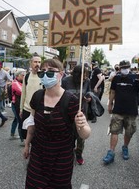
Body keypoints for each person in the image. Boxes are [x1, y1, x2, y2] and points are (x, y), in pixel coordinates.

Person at [23, 59, 91, 188]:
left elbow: (85, 134)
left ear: (60, 74)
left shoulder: (71, 101)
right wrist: (27, 145)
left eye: (50, 72)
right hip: (38, 155)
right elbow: (32, 124)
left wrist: (82, 125)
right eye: (42, 72)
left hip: (61, 159)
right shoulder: (37, 96)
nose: (45, 75)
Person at [103, 60, 139, 165]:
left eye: (126, 67)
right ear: (119, 68)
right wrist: (110, 104)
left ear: (129, 67)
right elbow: (113, 91)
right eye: (123, 67)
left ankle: (125, 147)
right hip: (118, 110)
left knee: (129, 131)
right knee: (114, 130)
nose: (125, 69)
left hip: (131, 110)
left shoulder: (136, 77)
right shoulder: (116, 78)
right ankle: (111, 152)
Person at [62, 65, 91, 165]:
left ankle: (79, 154)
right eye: (84, 75)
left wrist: (88, 97)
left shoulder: (86, 81)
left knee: (81, 137)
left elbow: (89, 92)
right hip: (68, 113)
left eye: (87, 75)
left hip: (81, 112)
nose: (86, 77)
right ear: (77, 75)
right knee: (69, 135)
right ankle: (68, 153)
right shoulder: (66, 81)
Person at [19, 53, 42, 143]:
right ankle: (27, 147)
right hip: (27, 109)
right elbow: (23, 93)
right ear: (31, 63)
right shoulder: (27, 76)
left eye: (39, 62)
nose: (38, 64)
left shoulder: (43, 76)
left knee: (37, 133)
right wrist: (21, 109)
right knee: (26, 133)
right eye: (35, 62)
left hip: (38, 110)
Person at [9, 68, 26, 143]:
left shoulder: (20, 82)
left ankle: (12, 134)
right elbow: (23, 92)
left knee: (16, 119)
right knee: (20, 121)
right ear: (18, 75)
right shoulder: (15, 83)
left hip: (17, 104)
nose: (24, 76)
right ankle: (22, 140)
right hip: (16, 104)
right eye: (23, 75)